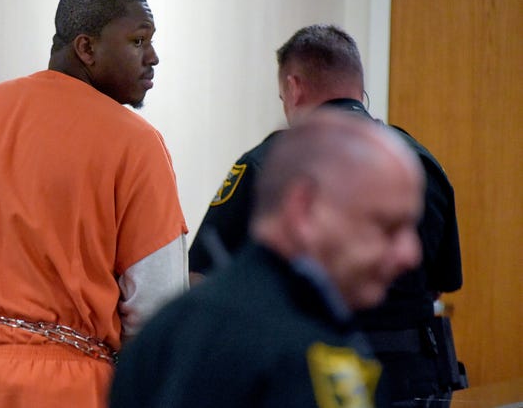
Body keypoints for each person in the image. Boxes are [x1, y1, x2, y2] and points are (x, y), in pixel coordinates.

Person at [0, 0, 188, 408]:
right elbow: (157, 304)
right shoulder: (134, 142)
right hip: (64, 383)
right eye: (138, 41)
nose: (153, 57)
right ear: (86, 48)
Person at [188, 24, 466, 405]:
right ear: (358, 86)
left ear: (295, 87)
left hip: (304, 382)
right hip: (413, 383)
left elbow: (201, 275)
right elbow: (440, 281)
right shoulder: (419, 163)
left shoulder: (269, 165)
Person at [110, 109, 425, 408]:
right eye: (386, 226)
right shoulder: (302, 353)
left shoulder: (170, 328)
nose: (410, 254)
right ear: (304, 209)